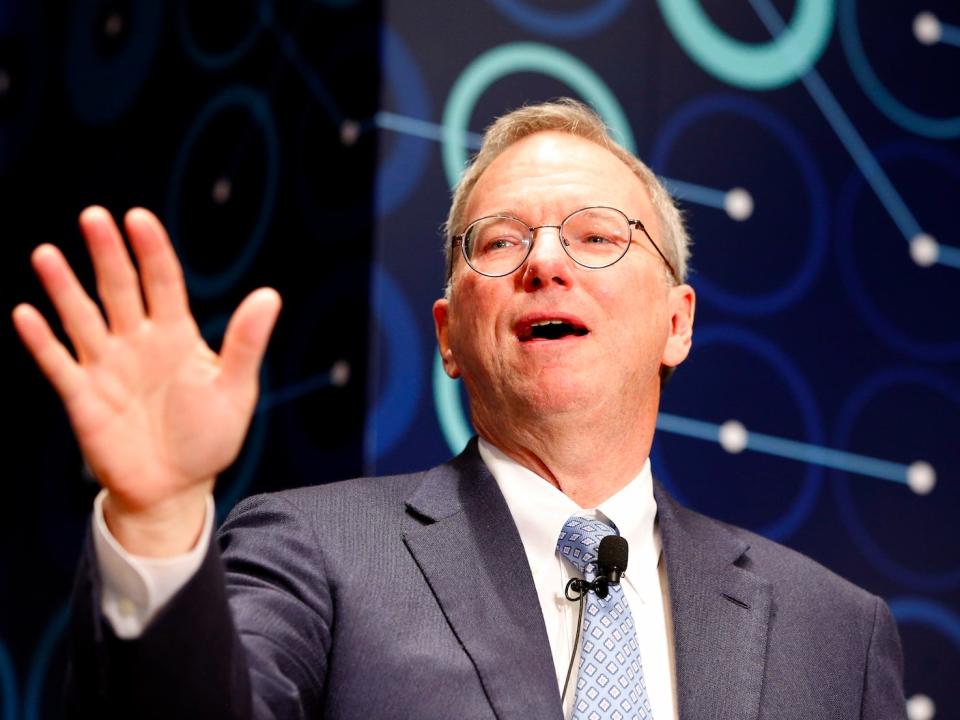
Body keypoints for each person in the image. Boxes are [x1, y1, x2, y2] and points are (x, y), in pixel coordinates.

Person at [13, 99, 906, 719]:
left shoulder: (834, 631)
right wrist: (161, 518)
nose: (545, 264)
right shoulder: (312, 553)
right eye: (502, 240)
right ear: (447, 335)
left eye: (596, 236)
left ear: (677, 324)